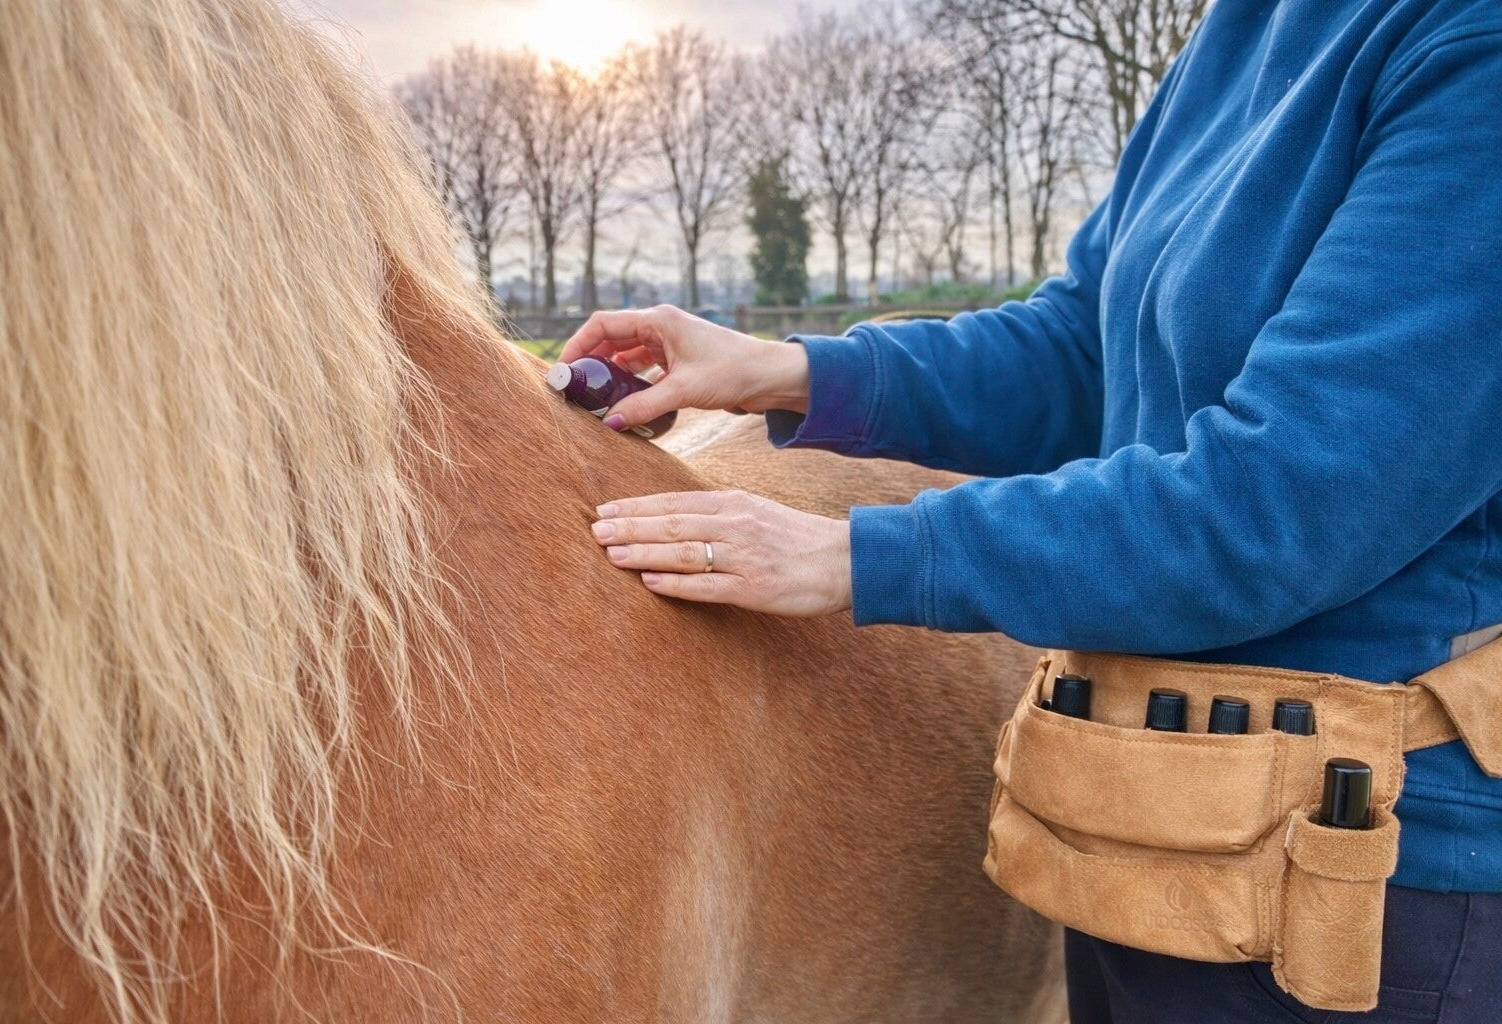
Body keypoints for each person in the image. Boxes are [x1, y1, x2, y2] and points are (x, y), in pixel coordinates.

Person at [559, 1, 1502, 1021]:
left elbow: (1283, 501)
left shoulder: (1468, 47)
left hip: (1357, 888)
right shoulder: (1249, 28)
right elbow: (1085, 349)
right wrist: (785, 370)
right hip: (1134, 831)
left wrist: (862, 556)